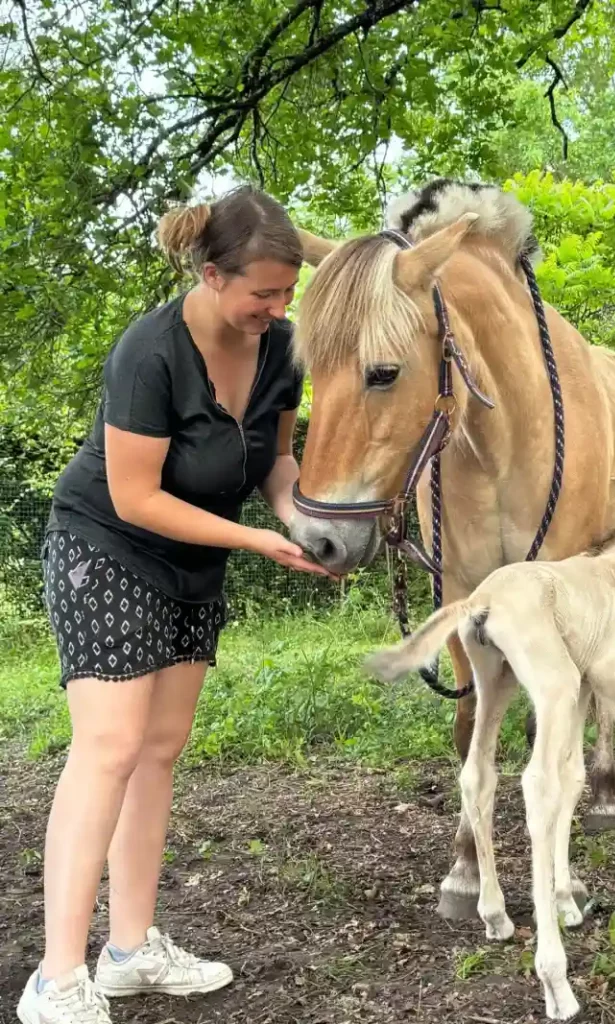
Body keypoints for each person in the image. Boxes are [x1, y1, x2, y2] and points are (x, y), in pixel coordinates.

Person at [17, 186, 331, 1024]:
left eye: (287, 292)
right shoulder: (150, 351)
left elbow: (277, 461)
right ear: (211, 273)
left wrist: (300, 521)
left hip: (195, 561)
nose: (278, 308)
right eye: (264, 292)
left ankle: (129, 953)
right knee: (110, 746)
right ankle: (55, 980)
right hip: (106, 546)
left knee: (159, 749)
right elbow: (135, 496)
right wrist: (257, 541)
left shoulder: (283, 348)